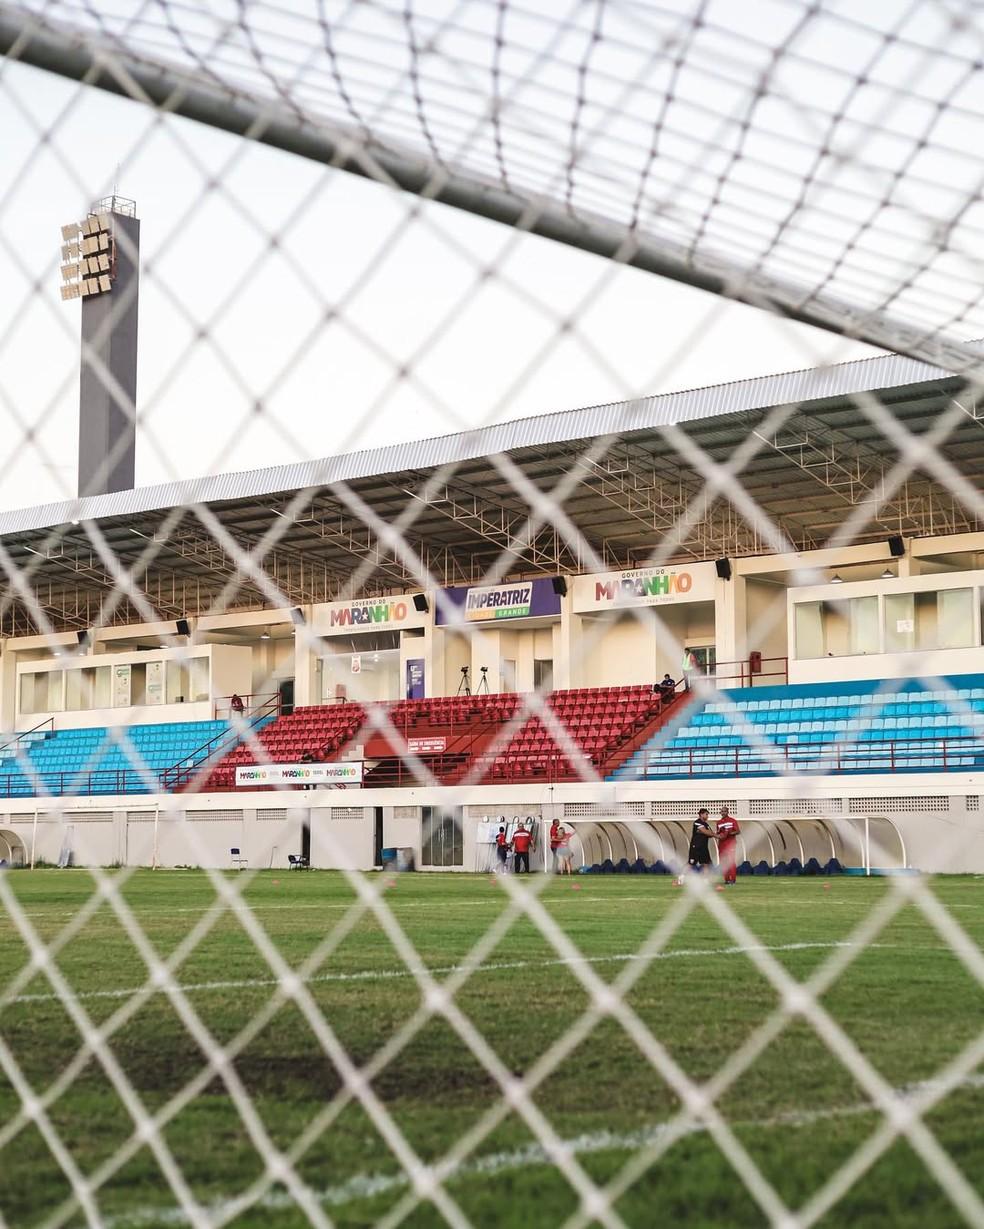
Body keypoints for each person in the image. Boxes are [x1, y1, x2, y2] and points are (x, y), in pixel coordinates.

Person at [680, 808, 715, 883]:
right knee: (691, 863)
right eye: (706, 814)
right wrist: (715, 834)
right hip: (696, 847)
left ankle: (705, 880)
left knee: (706, 863)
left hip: (704, 847)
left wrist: (709, 833)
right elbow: (707, 832)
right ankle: (681, 877)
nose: (707, 816)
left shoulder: (706, 824)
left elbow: (710, 833)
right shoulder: (697, 822)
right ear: (701, 814)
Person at [716, 806, 741, 885]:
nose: (723, 813)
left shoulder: (732, 821)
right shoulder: (718, 823)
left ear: (727, 812)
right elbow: (718, 833)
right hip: (721, 844)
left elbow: (738, 831)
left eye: (725, 811)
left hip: (730, 844)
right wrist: (720, 834)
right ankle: (726, 879)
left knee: (731, 861)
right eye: (722, 811)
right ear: (720, 813)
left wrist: (728, 833)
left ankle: (733, 880)